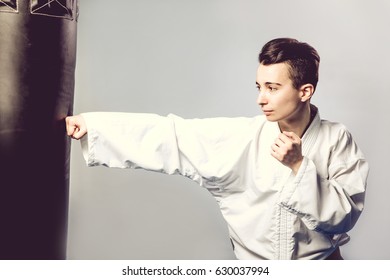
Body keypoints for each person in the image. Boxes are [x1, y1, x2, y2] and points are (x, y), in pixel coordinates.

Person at [66, 38, 369, 260]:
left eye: (273, 88)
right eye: (258, 86)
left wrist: (298, 166)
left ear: (305, 91)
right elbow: (173, 135)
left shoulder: (336, 139)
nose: (261, 99)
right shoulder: (241, 137)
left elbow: (344, 216)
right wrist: (94, 126)